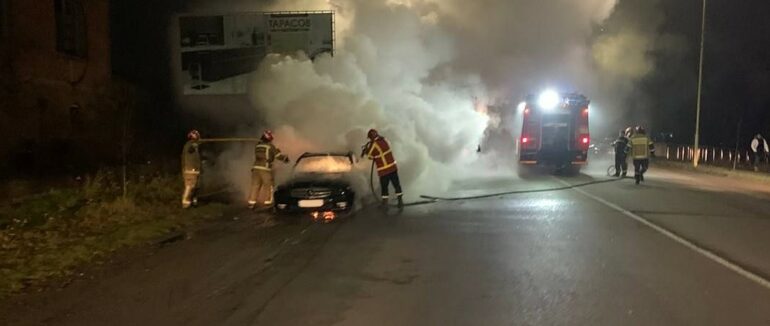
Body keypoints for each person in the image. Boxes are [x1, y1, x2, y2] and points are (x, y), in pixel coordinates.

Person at [248, 130, 290, 210]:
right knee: (268, 186)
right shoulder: (270, 146)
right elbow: (278, 156)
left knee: (255, 186)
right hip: (265, 169)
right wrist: (285, 158)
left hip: (255, 169)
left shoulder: (257, 146)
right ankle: (268, 203)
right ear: (269, 139)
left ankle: (251, 203)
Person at [362, 129, 403, 208]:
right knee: (396, 184)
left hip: (384, 170)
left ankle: (385, 203)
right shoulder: (385, 140)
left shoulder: (374, 144)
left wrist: (366, 150)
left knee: (384, 187)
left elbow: (370, 156)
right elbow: (382, 151)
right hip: (392, 167)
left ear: (371, 137)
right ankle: (400, 201)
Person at [181, 130, 202, 208]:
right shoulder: (189, 145)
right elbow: (191, 148)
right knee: (189, 186)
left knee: (195, 187)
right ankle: (185, 202)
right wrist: (195, 144)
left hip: (194, 170)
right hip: (190, 170)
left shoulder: (193, 146)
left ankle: (193, 201)